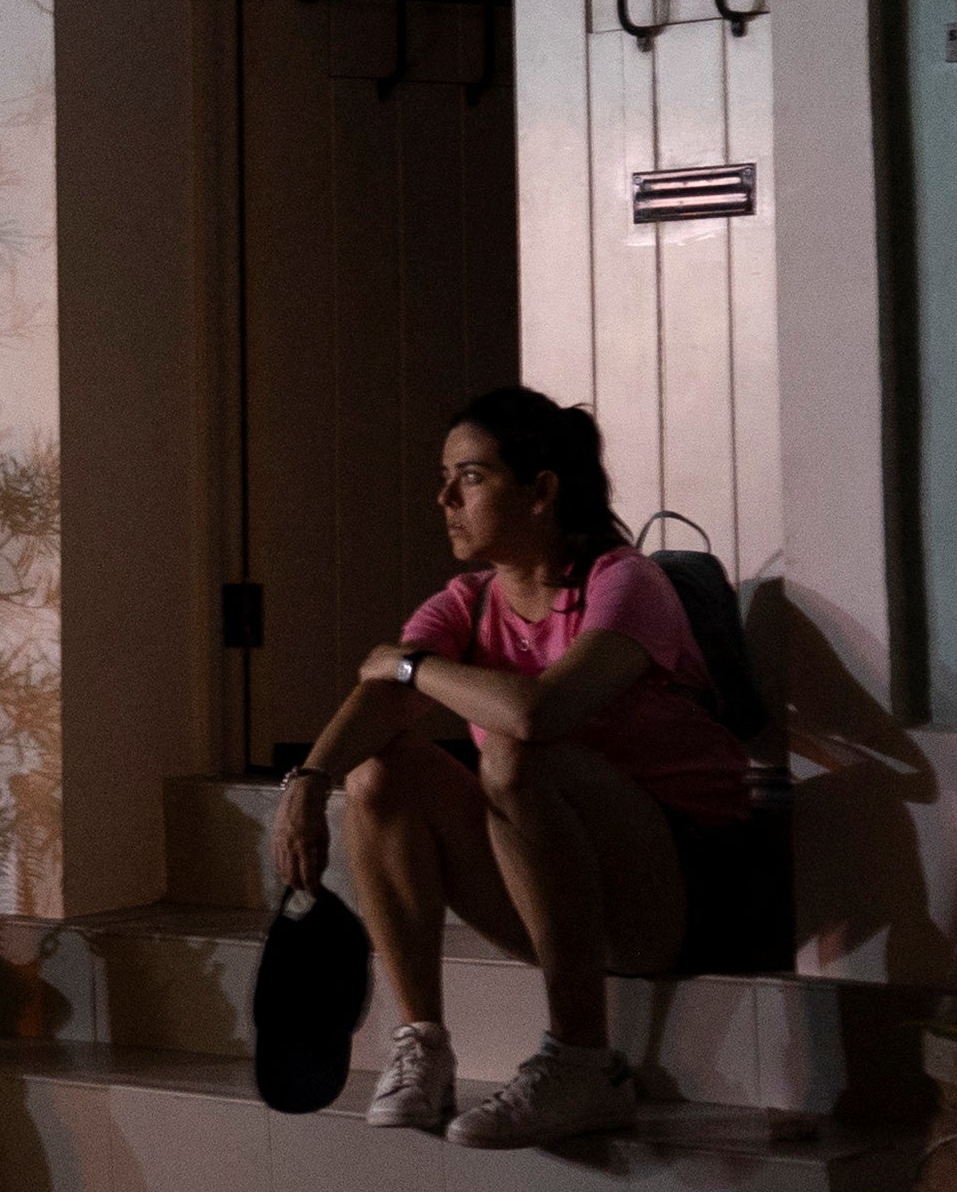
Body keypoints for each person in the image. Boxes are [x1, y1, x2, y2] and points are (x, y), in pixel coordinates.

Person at [266, 388, 755, 1145]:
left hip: (683, 890)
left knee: (519, 760)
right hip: (563, 889)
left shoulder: (622, 583)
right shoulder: (466, 601)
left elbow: (538, 714)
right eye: (446, 479)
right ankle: (422, 1043)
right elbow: (378, 704)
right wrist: (308, 783)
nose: (444, 499)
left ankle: (584, 1062)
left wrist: (410, 667)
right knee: (379, 774)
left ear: (542, 490)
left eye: (470, 477)